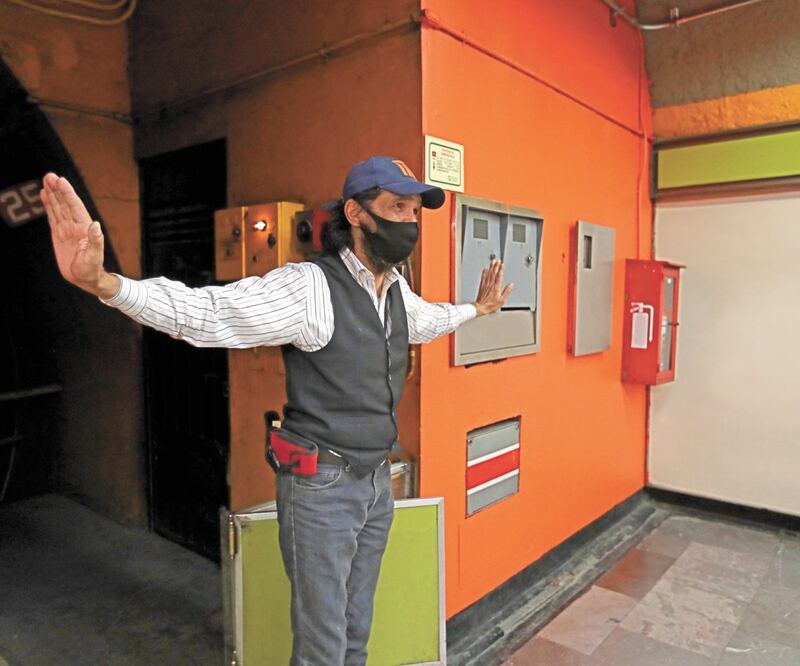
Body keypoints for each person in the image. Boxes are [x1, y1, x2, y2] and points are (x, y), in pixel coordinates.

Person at [41, 156, 512, 666]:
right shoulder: (310, 287)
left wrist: (475, 311)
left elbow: (426, 320)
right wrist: (107, 284)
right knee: (321, 644)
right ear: (356, 213)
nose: (410, 223)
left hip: (376, 482)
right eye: (397, 207)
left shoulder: (395, 291)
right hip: (323, 487)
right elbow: (210, 313)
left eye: (416, 212)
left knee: (356, 627)